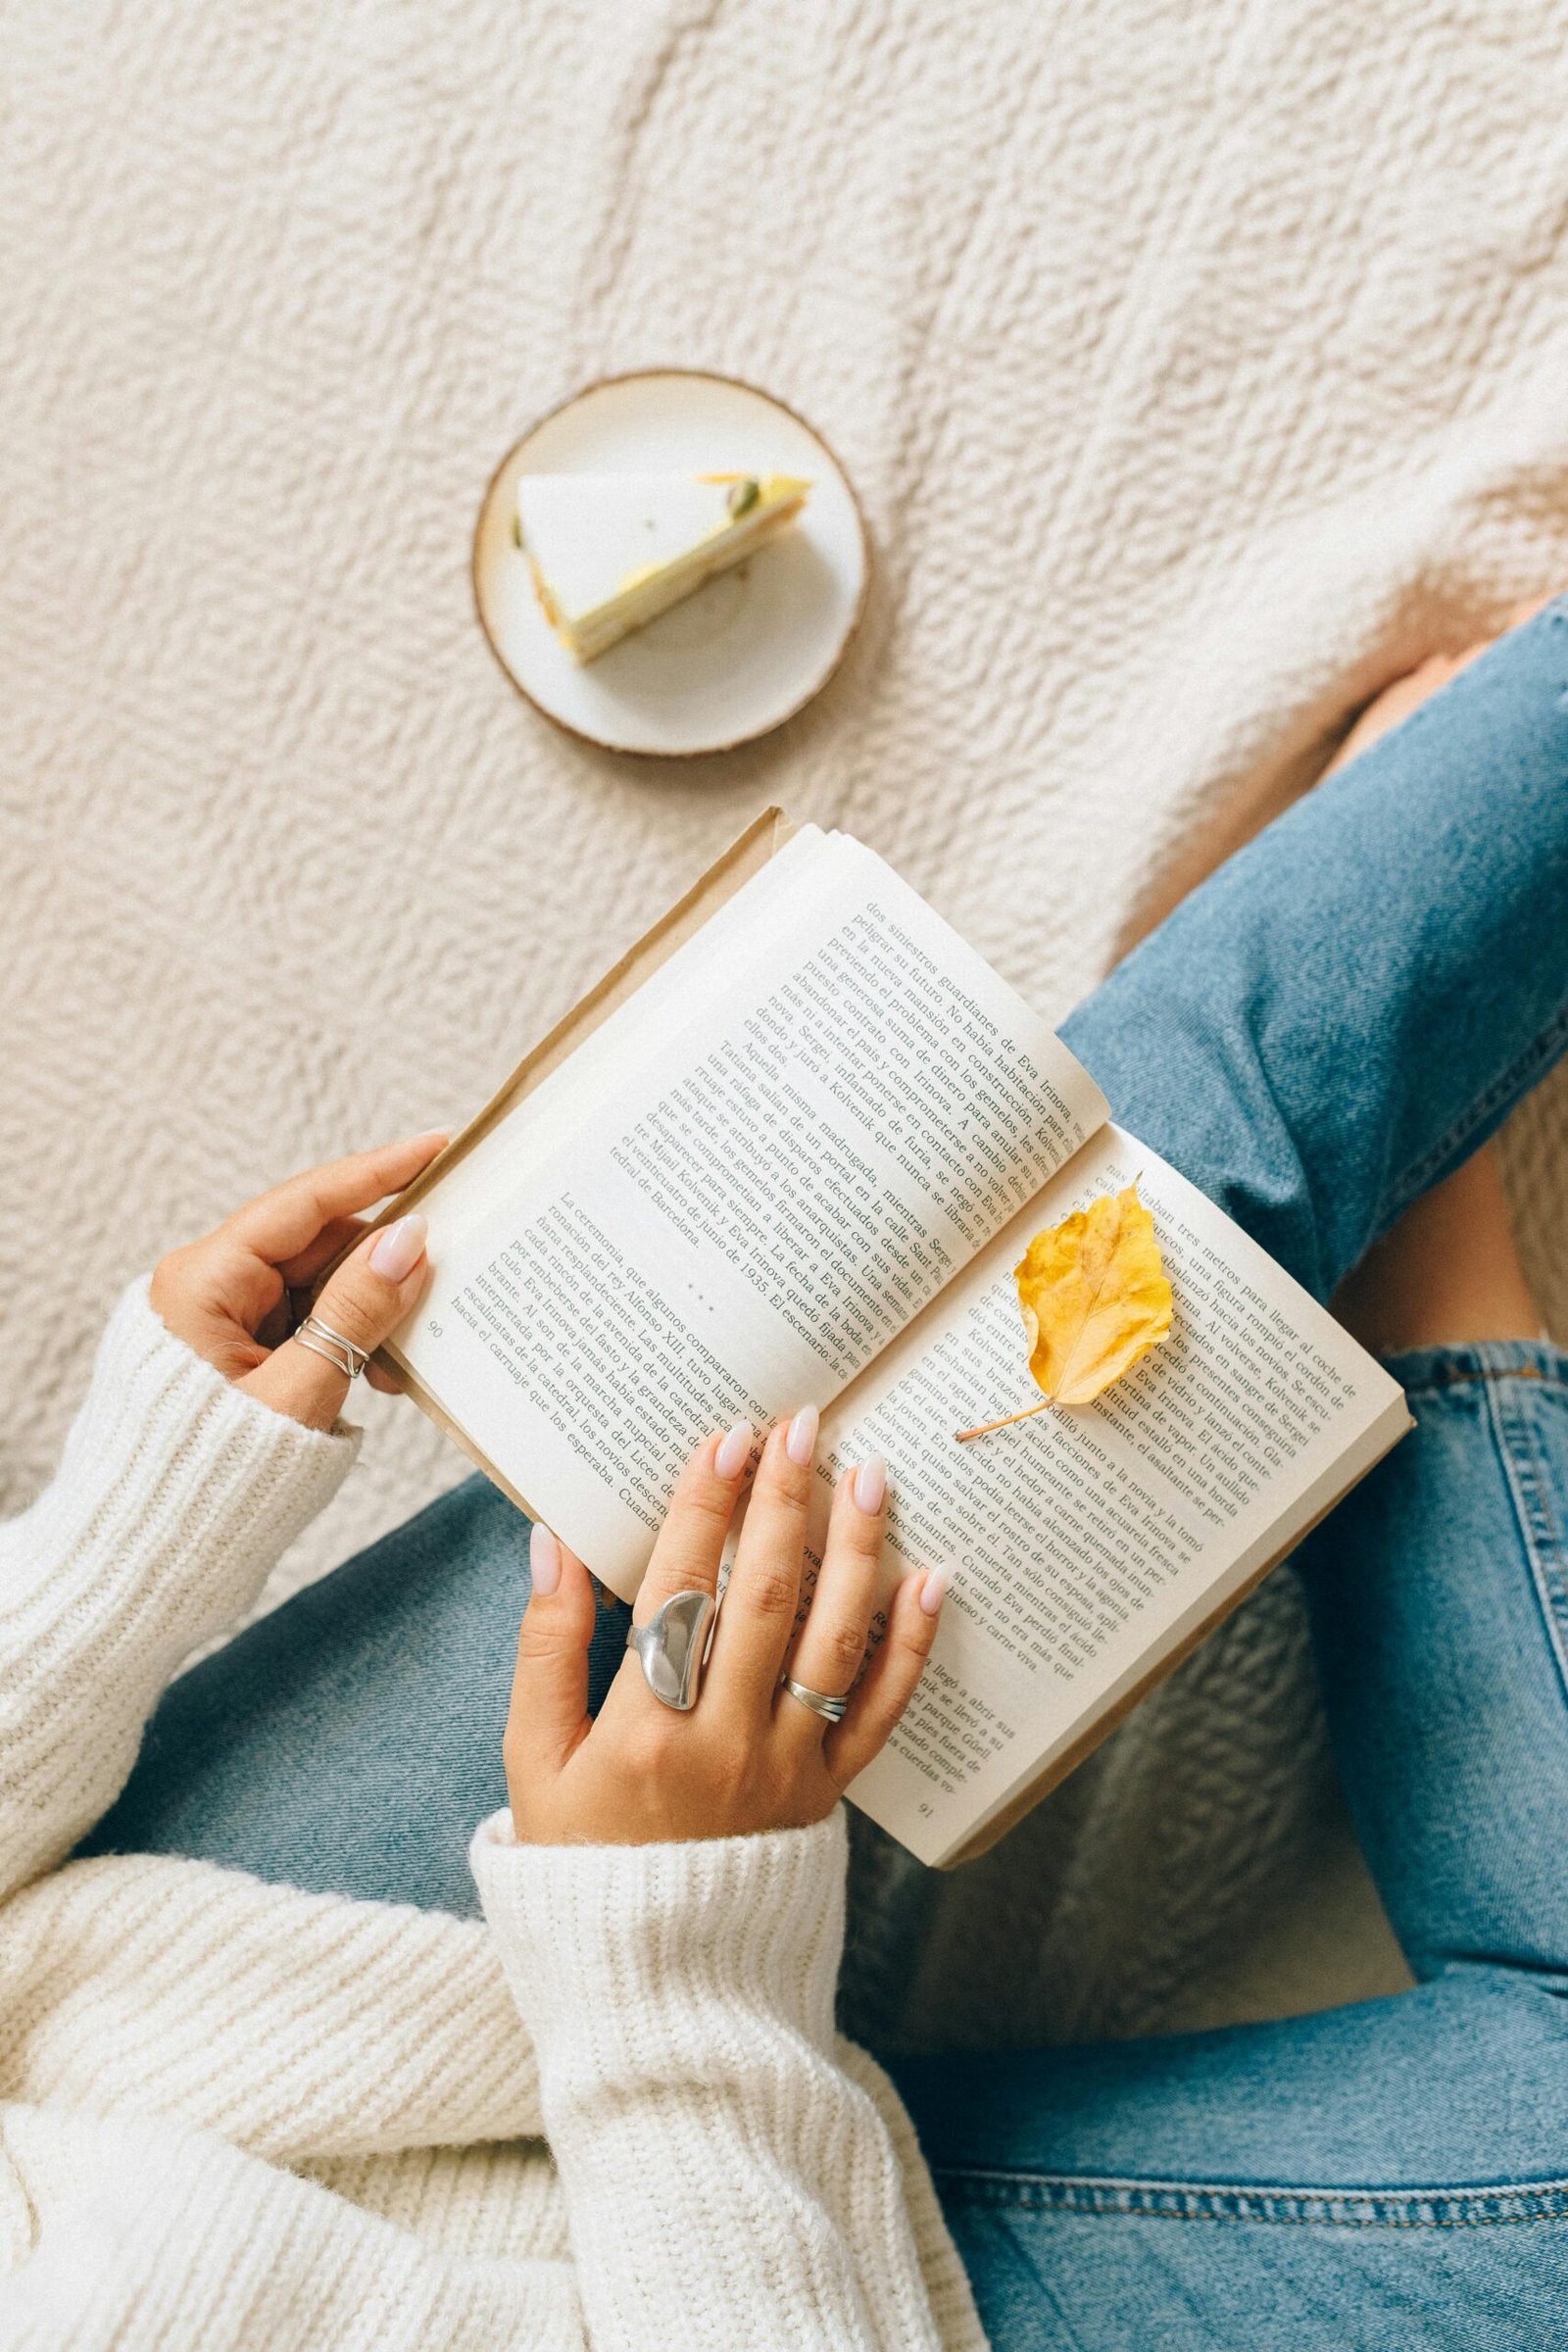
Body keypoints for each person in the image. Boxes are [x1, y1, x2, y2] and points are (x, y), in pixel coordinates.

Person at [4, 599, 1567, 2350]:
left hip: (231, 2022)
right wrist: (672, 1958)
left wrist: (127, 1541)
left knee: (1120, 1182)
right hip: (771, 2289)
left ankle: (1385, 1174)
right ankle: (1432, 1275)